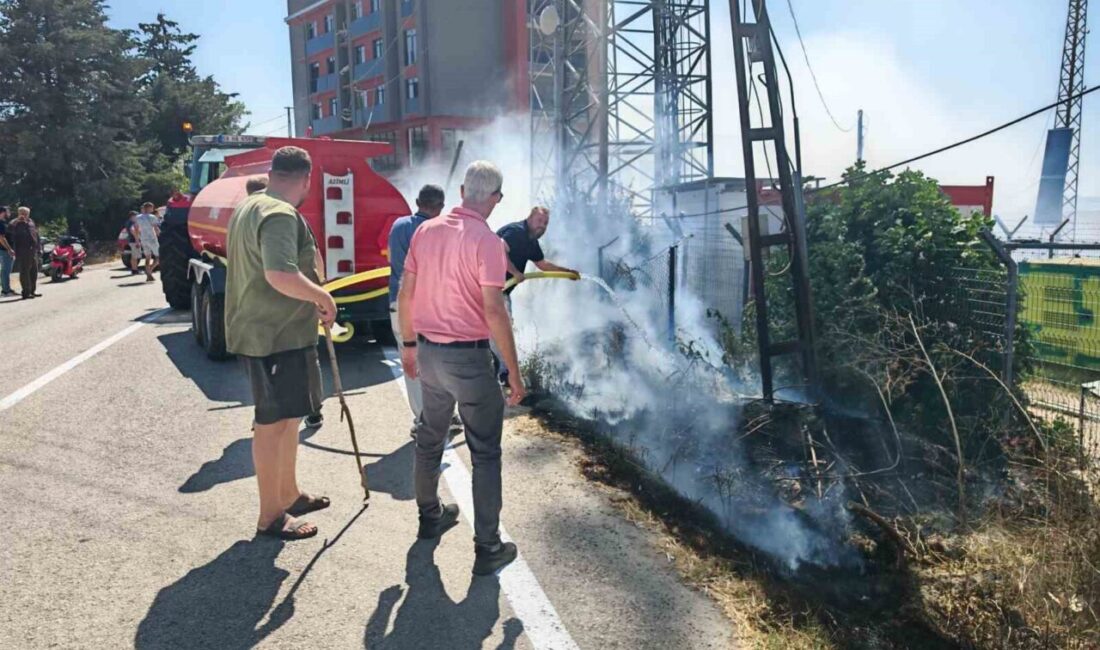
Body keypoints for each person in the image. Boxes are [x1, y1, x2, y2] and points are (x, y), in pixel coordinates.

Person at [398, 160, 526, 575]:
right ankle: (488, 547)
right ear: (496, 198)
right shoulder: (487, 241)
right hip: (467, 359)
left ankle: (429, 516)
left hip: (429, 353)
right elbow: (494, 310)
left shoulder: (426, 230)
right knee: (485, 452)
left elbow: (405, 293)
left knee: (429, 437)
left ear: (461, 192)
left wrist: (409, 347)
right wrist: (513, 372)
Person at [225, 146, 336, 541]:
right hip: (273, 335)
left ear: (273, 174)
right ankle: (270, 515)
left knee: (289, 418)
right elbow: (279, 274)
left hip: (273, 331)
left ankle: (288, 494)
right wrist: (323, 298)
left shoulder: (250, 205)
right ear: (307, 180)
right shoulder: (279, 213)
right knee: (271, 424)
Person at [490, 206, 578, 383]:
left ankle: (501, 372)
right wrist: (515, 272)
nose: (542, 226)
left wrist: (567, 272)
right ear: (529, 218)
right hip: (489, 289)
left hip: (502, 291)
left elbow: (543, 265)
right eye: (539, 221)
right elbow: (498, 251)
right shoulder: (516, 232)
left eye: (545, 223)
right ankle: (504, 374)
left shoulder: (531, 242)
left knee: (502, 330)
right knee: (500, 331)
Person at [387, 184, 445, 426]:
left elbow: (392, 259)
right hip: (430, 305)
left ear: (417, 202)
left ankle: (423, 419)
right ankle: (444, 415)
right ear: (440, 207)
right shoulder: (439, 230)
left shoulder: (398, 226)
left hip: (399, 303)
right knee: (439, 361)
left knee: (411, 363)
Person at [10, 207, 40, 300]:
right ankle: (26, 292)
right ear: (19, 213)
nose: (25, 215)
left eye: (26, 213)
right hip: (23, 250)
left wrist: (39, 246)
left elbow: (36, 234)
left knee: (34, 271)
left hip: (33, 250)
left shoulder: (31, 221)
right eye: (23, 213)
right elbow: (9, 232)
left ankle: (32, 291)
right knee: (25, 271)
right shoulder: (14, 223)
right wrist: (17, 221)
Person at [132, 202, 161, 282]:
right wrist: (160, 235)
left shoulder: (137, 217)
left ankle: (149, 275)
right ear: (148, 208)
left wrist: (138, 239)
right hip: (152, 239)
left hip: (143, 239)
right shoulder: (152, 217)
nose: (152, 209)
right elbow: (156, 228)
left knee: (148, 257)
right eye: (152, 208)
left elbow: (136, 229)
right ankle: (149, 270)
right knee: (159, 257)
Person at [0, 207, 15, 296]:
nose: (9, 213)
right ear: (3, 212)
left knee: (6, 270)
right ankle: (6, 291)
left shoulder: (3, 223)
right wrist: (9, 249)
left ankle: (7, 289)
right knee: (5, 270)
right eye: (8, 212)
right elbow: (1, 238)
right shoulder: (0, 223)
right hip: (4, 250)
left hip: (5, 250)